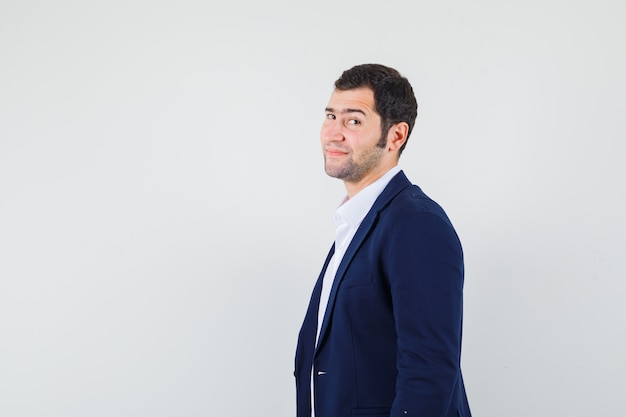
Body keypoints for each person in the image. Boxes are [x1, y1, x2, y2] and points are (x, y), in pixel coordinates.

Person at [294, 64, 472, 417]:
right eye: (331, 116)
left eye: (354, 121)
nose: (333, 133)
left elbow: (429, 370)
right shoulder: (354, 223)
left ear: (395, 136)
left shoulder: (416, 224)